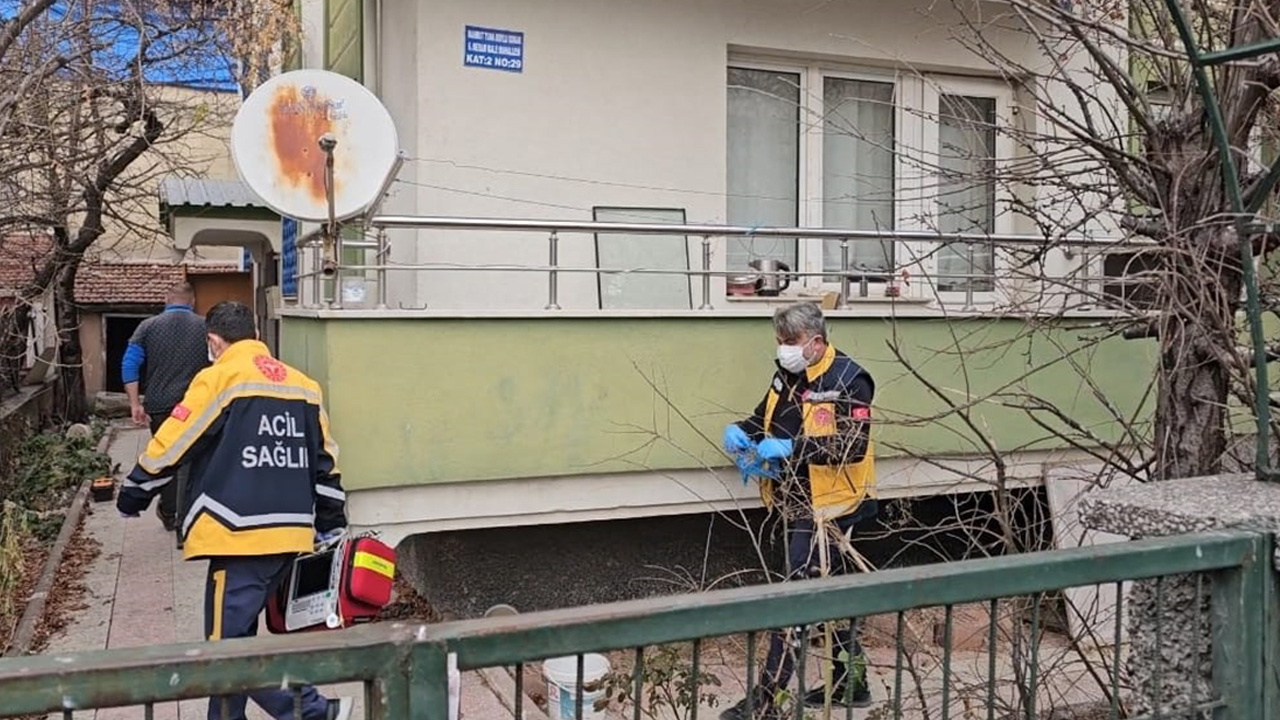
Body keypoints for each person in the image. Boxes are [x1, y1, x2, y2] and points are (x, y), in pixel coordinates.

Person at [117, 301, 352, 720]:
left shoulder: (219, 378)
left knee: (228, 654)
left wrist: (135, 491)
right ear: (256, 334)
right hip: (291, 535)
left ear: (213, 341)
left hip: (239, 534)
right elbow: (326, 464)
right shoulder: (303, 385)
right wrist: (331, 527)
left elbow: (174, 440)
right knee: (237, 640)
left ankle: (315, 711)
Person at [720, 302, 878, 720]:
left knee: (796, 594)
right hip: (796, 497)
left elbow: (852, 446)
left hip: (833, 504)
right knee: (831, 591)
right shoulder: (787, 374)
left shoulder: (850, 380)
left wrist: (792, 448)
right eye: (780, 342)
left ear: (816, 341)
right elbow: (763, 418)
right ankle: (852, 681)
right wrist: (743, 432)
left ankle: (767, 701)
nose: (783, 350)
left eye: (790, 342)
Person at [122, 281, 210, 532]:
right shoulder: (206, 327)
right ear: (192, 301)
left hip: (160, 405)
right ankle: (188, 514)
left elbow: (129, 364)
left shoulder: (147, 327)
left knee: (169, 456)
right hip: (196, 405)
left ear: (166, 299)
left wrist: (134, 403)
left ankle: (171, 511)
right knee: (193, 459)